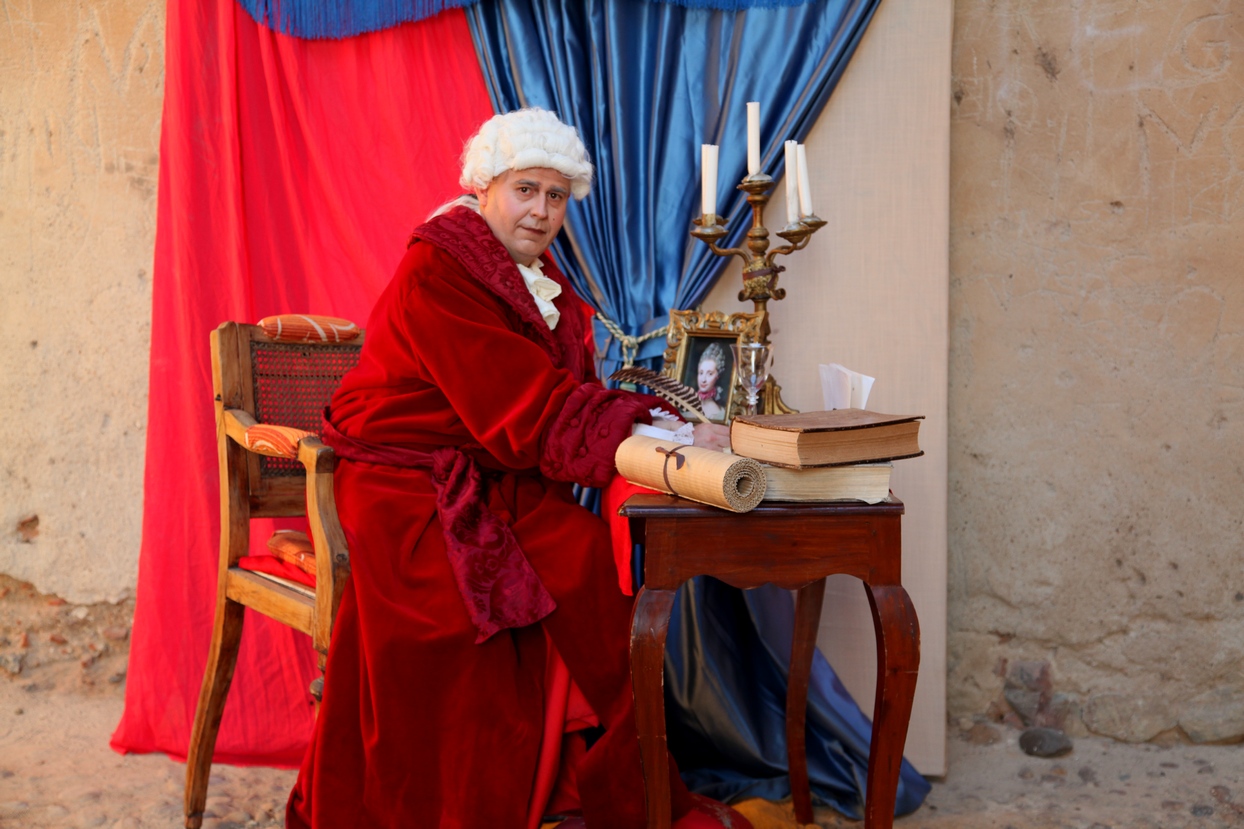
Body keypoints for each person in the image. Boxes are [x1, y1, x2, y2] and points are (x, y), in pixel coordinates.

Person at [285, 108, 742, 829]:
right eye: (526, 189)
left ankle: (567, 780)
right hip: (405, 489)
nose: (541, 210)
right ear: (485, 186)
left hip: (485, 473)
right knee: (482, 600)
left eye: (556, 197)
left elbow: (544, 395)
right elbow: (522, 403)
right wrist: (642, 424)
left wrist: (644, 419)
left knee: (577, 550)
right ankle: (488, 795)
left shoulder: (529, 274)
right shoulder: (442, 266)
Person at [694, 341, 728, 422]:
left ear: (717, 376)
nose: (703, 379)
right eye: (701, 373)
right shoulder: (688, 408)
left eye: (710, 374)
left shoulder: (718, 414)